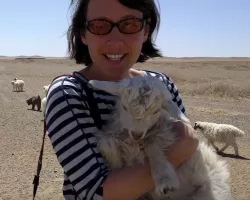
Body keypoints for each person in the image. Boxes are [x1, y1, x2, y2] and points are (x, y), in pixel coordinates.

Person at [45, 0, 199, 199]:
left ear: (145, 30)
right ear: (83, 33)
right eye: (100, 26)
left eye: (130, 24)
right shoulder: (69, 94)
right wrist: (175, 154)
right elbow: (96, 192)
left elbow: (189, 168)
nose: (115, 42)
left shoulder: (161, 85)